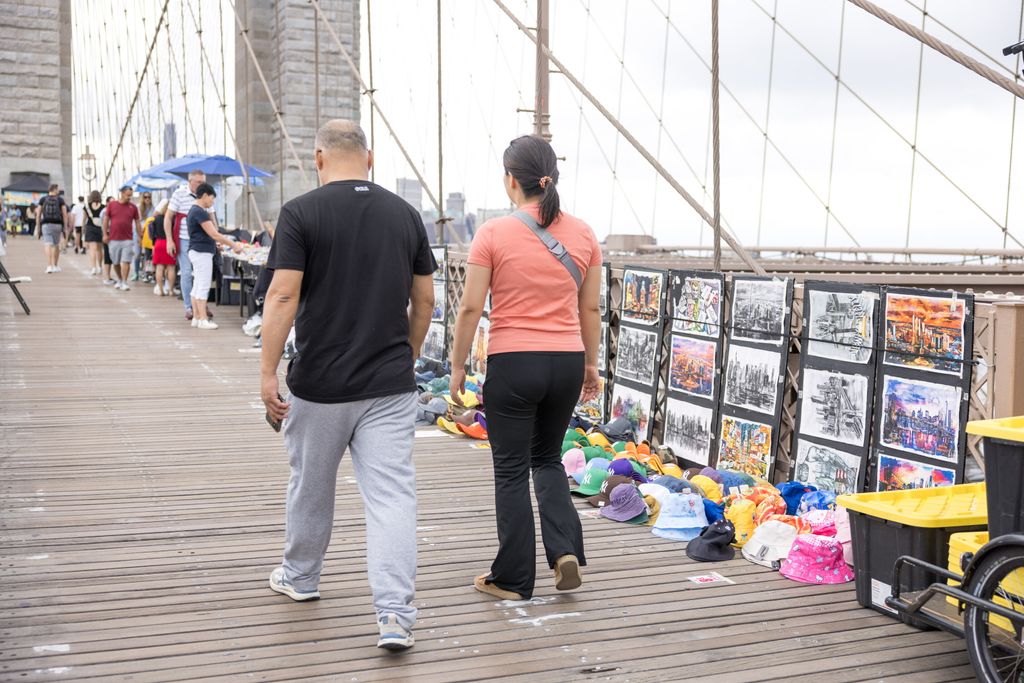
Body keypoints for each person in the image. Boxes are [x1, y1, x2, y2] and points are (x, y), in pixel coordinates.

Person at [260, 120, 434, 651]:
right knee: (391, 498)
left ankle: (302, 578)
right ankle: (395, 615)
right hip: (389, 384)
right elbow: (424, 301)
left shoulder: (301, 213)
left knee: (311, 487)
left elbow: (283, 297)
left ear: (318, 159)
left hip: (320, 384)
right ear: (371, 158)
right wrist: (407, 353)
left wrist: (268, 371)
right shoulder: (406, 215)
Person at [449, 134, 603, 602]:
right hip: (566, 362)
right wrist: (591, 366)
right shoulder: (584, 234)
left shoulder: (493, 233)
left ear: (510, 181)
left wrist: (457, 367)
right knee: (548, 458)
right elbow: (590, 310)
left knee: (512, 470)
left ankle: (513, 579)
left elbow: (471, 308)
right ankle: (564, 552)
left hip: (515, 362)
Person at [186, 183, 241, 329]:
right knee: (203, 285)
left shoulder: (193, 210)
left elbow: (205, 234)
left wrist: (215, 243)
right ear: (205, 195)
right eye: (211, 198)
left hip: (196, 250)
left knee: (197, 285)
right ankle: (203, 319)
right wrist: (233, 245)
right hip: (201, 252)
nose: (212, 202)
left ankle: (197, 318)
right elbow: (214, 233)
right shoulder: (200, 212)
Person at [166, 170, 207, 321]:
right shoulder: (179, 194)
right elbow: (168, 218)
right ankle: (189, 307)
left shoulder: (205, 195)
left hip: (202, 239)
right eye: (199, 182)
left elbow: (212, 217)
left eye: (203, 182)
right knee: (186, 272)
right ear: (190, 182)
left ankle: (200, 305)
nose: (202, 185)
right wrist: (169, 240)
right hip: (183, 239)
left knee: (201, 273)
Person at [102, 186, 141, 291]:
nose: (129, 197)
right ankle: (119, 279)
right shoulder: (112, 205)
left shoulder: (133, 207)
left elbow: (137, 222)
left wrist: (139, 236)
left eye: (131, 195)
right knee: (115, 262)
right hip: (113, 238)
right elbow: (106, 220)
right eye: (128, 195)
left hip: (128, 239)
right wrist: (105, 234)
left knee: (126, 261)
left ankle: (124, 281)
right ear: (122, 193)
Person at [35, 184, 68, 273]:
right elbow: (64, 214)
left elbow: (38, 214)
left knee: (47, 244)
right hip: (57, 225)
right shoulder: (60, 200)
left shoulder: (43, 199)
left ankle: (49, 266)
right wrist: (65, 227)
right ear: (54, 189)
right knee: (56, 245)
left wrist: (38, 227)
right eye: (57, 189)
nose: (58, 191)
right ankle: (55, 266)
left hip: (46, 224)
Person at [150, 198, 176, 296]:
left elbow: (153, 233)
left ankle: (160, 290)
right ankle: (170, 290)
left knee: (159, 268)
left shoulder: (156, 218)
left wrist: (153, 245)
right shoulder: (173, 219)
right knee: (171, 268)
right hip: (169, 243)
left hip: (158, 243)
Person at [131, 191, 154, 281]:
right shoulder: (138, 208)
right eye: (145, 197)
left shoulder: (153, 208)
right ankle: (136, 272)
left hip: (148, 235)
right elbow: (135, 223)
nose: (147, 199)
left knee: (147, 255)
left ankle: (146, 273)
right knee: (137, 254)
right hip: (138, 233)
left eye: (149, 197)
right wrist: (139, 234)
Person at [83, 191, 105, 275]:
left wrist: (83, 230)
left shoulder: (87, 206)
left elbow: (84, 220)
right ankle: (100, 267)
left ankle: (93, 268)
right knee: (99, 249)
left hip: (90, 228)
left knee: (92, 249)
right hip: (100, 228)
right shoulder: (103, 207)